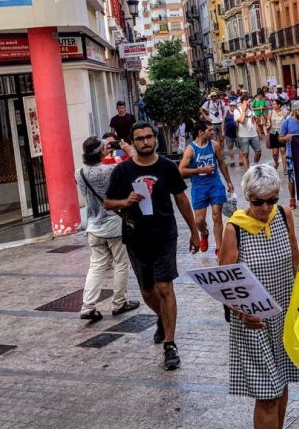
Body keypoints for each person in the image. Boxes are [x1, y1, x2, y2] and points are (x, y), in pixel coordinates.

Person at [218, 164, 299, 429]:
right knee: (267, 393)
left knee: (281, 386)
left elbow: (295, 259)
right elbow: (224, 281)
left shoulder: (284, 215)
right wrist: (241, 312)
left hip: (285, 315)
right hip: (253, 321)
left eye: (271, 200)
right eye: (258, 202)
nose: (266, 207)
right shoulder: (235, 228)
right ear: (247, 198)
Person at [104, 122, 200, 371]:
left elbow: (181, 199)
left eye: (148, 137)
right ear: (132, 142)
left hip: (165, 235)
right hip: (136, 237)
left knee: (165, 287)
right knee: (147, 291)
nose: (145, 142)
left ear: (155, 139)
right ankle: (162, 316)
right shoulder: (123, 171)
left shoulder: (167, 167)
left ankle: (170, 343)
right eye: (139, 138)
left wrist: (194, 231)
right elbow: (107, 203)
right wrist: (126, 201)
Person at [76, 136, 139, 321]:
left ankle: (88, 306)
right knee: (121, 264)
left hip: (93, 226)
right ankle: (119, 303)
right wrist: (129, 150)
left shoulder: (78, 173)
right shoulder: (111, 170)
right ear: (101, 151)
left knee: (96, 266)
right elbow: (135, 167)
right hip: (113, 225)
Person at [179, 121, 234, 256]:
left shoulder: (214, 145)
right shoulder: (190, 149)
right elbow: (181, 170)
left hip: (215, 184)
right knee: (199, 220)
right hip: (199, 187)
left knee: (217, 215)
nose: (212, 132)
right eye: (209, 130)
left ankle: (219, 248)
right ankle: (204, 233)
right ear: (200, 132)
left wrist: (228, 182)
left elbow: (221, 162)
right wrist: (200, 170)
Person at [279, 99, 299, 210]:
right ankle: (292, 199)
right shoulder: (287, 122)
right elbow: (280, 138)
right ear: (294, 111)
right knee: (292, 178)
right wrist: (285, 138)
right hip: (291, 154)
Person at [234, 97, 263, 170]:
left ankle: (254, 165)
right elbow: (242, 120)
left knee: (258, 152)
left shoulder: (250, 109)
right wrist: (243, 110)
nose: (250, 103)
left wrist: (259, 132)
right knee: (245, 154)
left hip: (253, 134)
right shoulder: (236, 110)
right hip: (243, 136)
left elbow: (254, 122)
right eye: (249, 102)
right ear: (243, 102)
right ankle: (248, 173)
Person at [266, 98, 287, 168]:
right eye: (272, 104)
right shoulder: (270, 112)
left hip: (282, 133)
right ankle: (276, 162)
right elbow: (268, 121)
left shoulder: (285, 112)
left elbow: (287, 122)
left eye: (274, 104)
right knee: (275, 152)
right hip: (273, 133)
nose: (273, 105)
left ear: (279, 105)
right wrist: (268, 125)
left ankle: (285, 168)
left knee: (283, 150)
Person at [223, 104, 239, 168]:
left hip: (237, 133)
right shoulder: (226, 112)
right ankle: (232, 161)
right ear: (230, 106)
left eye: (234, 106)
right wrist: (223, 131)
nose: (232, 107)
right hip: (228, 133)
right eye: (231, 106)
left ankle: (241, 160)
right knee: (230, 148)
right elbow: (223, 122)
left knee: (240, 147)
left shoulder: (237, 112)